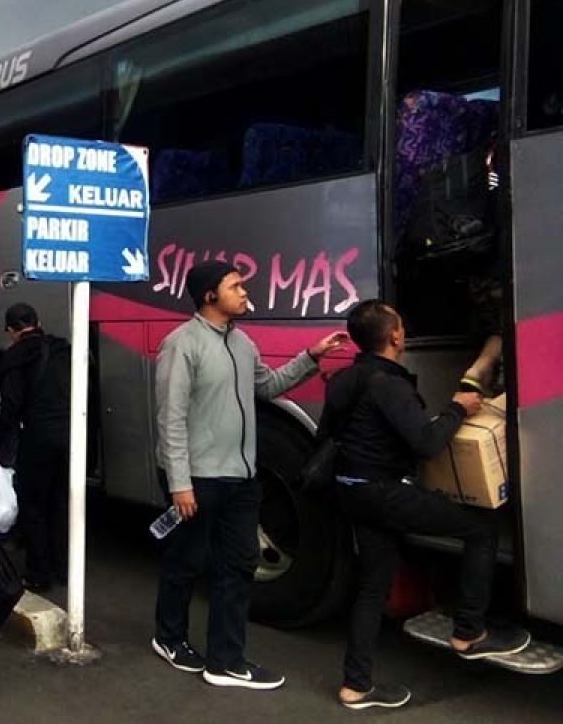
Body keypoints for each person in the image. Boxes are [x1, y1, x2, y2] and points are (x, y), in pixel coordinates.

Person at [325, 300, 530, 710]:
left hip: (350, 490)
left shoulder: (346, 378)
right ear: (395, 336)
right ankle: (469, 633)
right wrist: (458, 408)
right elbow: (428, 444)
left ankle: (356, 686)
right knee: (479, 532)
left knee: (373, 585)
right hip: (381, 492)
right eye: (400, 323)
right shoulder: (390, 385)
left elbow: (333, 431)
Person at [153, 260, 347, 690]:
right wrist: (180, 483)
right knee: (186, 559)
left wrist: (310, 358)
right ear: (209, 296)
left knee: (238, 565)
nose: (243, 292)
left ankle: (225, 661)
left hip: (242, 477)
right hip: (197, 479)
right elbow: (171, 418)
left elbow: (267, 386)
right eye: (235, 286)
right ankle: (169, 636)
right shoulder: (181, 344)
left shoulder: (242, 343)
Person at [0, 302, 71, 592]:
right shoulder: (64, 349)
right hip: (69, 436)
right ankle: (63, 567)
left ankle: (39, 572)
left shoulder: (15, 357)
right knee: (60, 502)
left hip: (37, 437)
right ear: (37, 320)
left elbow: (10, 406)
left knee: (33, 504)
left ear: (12, 330)